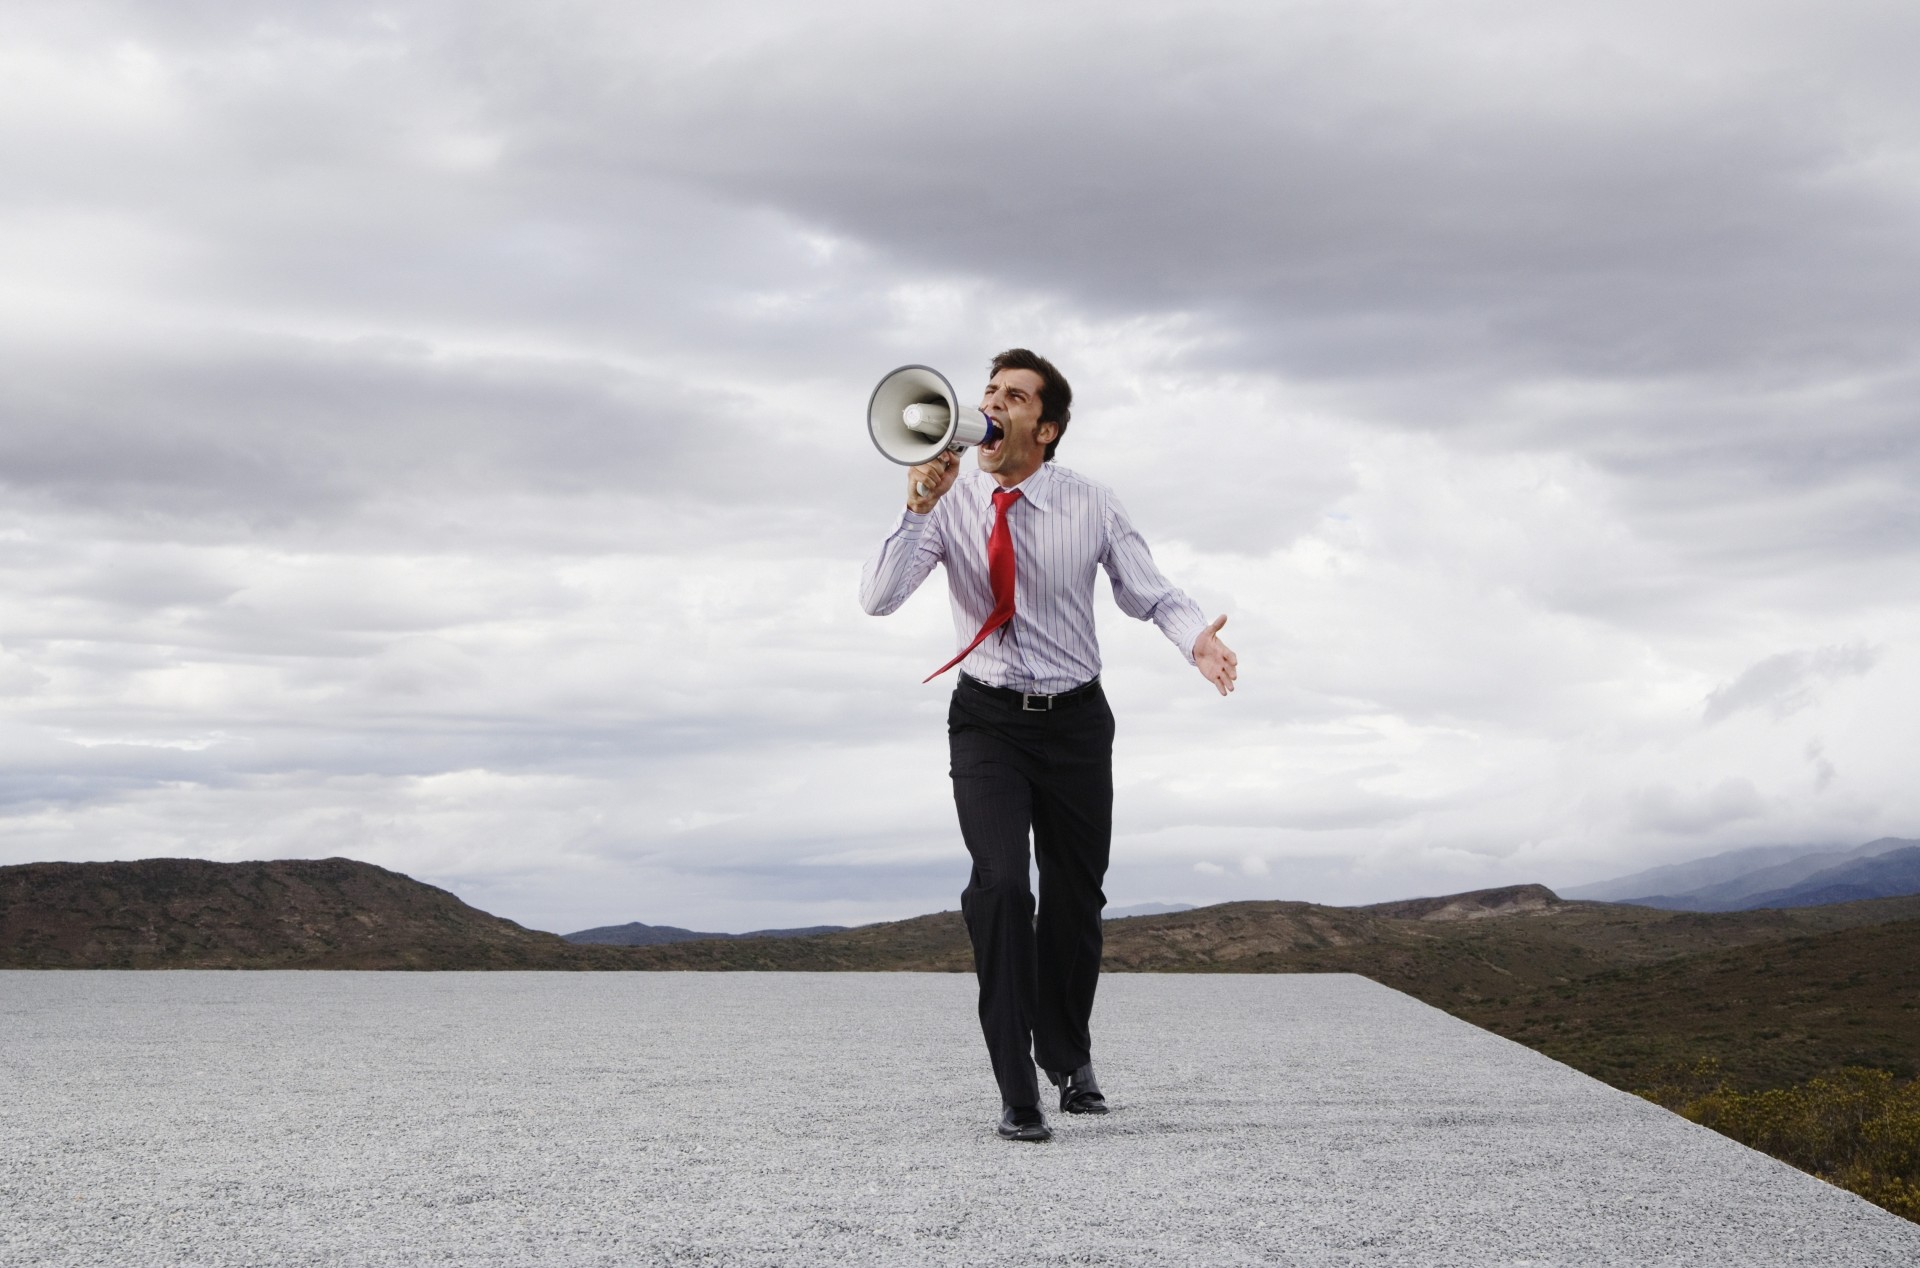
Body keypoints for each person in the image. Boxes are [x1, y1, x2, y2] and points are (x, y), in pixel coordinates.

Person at [860, 348, 1238, 1142]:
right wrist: (919, 508)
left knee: (1075, 896)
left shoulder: (1090, 503)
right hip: (987, 720)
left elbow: (1151, 592)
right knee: (1001, 888)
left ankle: (1068, 1057)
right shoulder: (951, 503)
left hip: (1074, 724)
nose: (992, 405)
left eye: (1014, 396)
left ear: (1047, 427)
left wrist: (1196, 641)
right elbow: (878, 599)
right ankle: (1017, 1090)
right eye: (988, 391)